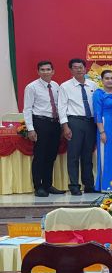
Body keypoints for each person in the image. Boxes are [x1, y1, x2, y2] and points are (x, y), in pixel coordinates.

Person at [23, 61, 62, 197]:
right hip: (40, 123)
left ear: (53, 71)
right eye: (42, 70)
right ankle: (38, 186)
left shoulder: (56, 85)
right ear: (38, 72)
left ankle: (47, 184)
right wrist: (30, 129)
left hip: (54, 124)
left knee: (51, 156)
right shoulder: (31, 87)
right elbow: (27, 109)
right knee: (40, 156)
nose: (46, 72)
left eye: (48, 69)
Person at [58, 58, 97, 195]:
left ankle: (89, 185)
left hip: (90, 122)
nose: (79, 70)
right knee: (74, 155)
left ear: (85, 69)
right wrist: (65, 126)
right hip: (74, 122)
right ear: (71, 70)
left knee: (87, 155)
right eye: (75, 67)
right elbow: (61, 107)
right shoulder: (65, 86)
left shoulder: (93, 85)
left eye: (81, 67)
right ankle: (74, 185)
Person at [93, 70, 112, 192]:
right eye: (107, 78)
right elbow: (97, 113)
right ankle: (106, 184)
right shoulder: (98, 94)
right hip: (106, 125)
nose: (110, 80)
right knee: (107, 154)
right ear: (102, 80)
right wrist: (102, 132)